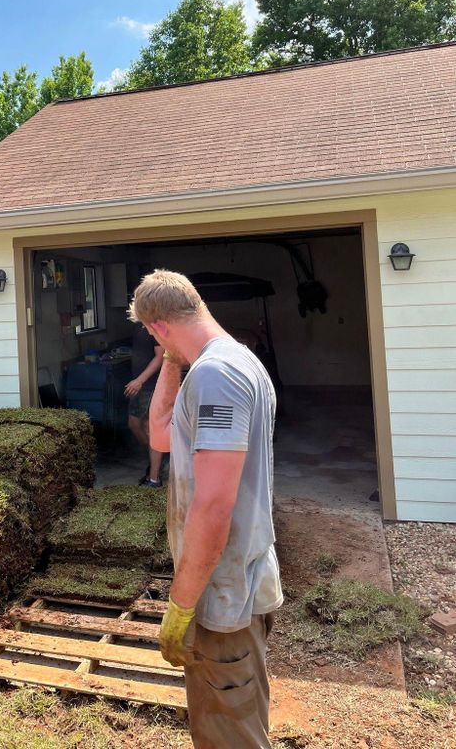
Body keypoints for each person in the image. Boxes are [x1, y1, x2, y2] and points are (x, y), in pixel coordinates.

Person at [129, 269, 282, 749]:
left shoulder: (217, 375)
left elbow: (213, 506)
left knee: (228, 732)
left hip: (224, 595)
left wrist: (181, 604)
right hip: (231, 583)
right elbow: (160, 435)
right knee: (235, 717)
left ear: (158, 327)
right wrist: (173, 361)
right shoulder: (227, 364)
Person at [124, 320, 165, 487]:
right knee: (134, 424)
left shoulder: (157, 325)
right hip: (139, 384)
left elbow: (160, 356)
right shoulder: (139, 325)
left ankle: (154, 478)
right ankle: (155, 460)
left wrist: (140, 380)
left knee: (150, 428)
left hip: (150, 385)